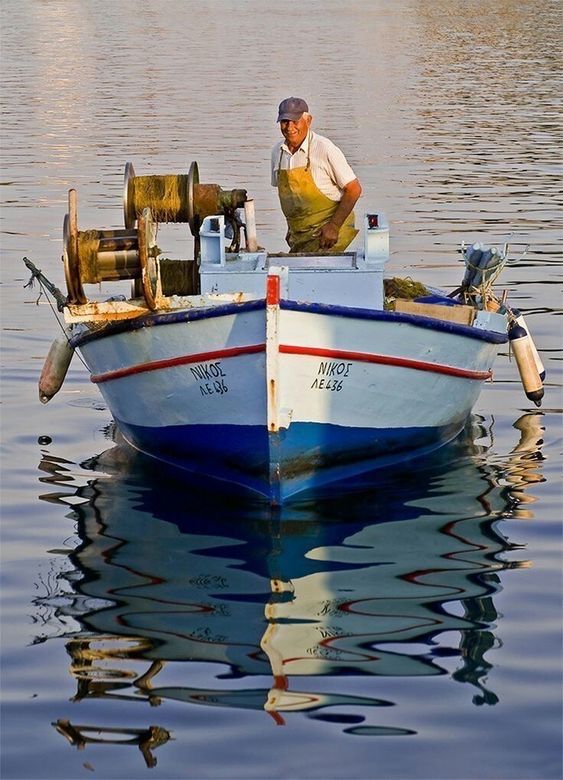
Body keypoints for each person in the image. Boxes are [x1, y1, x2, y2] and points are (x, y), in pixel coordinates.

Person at [271, 97, 362, 253]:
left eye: (295, 121)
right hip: (299, 235)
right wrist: (291, 227)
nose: (289, 127)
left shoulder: (324, 148)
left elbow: (354, 189)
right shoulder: (278, 153)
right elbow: (291, 198)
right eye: (285, 122)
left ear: (308, 121)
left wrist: (334, 226)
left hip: (328, 234)